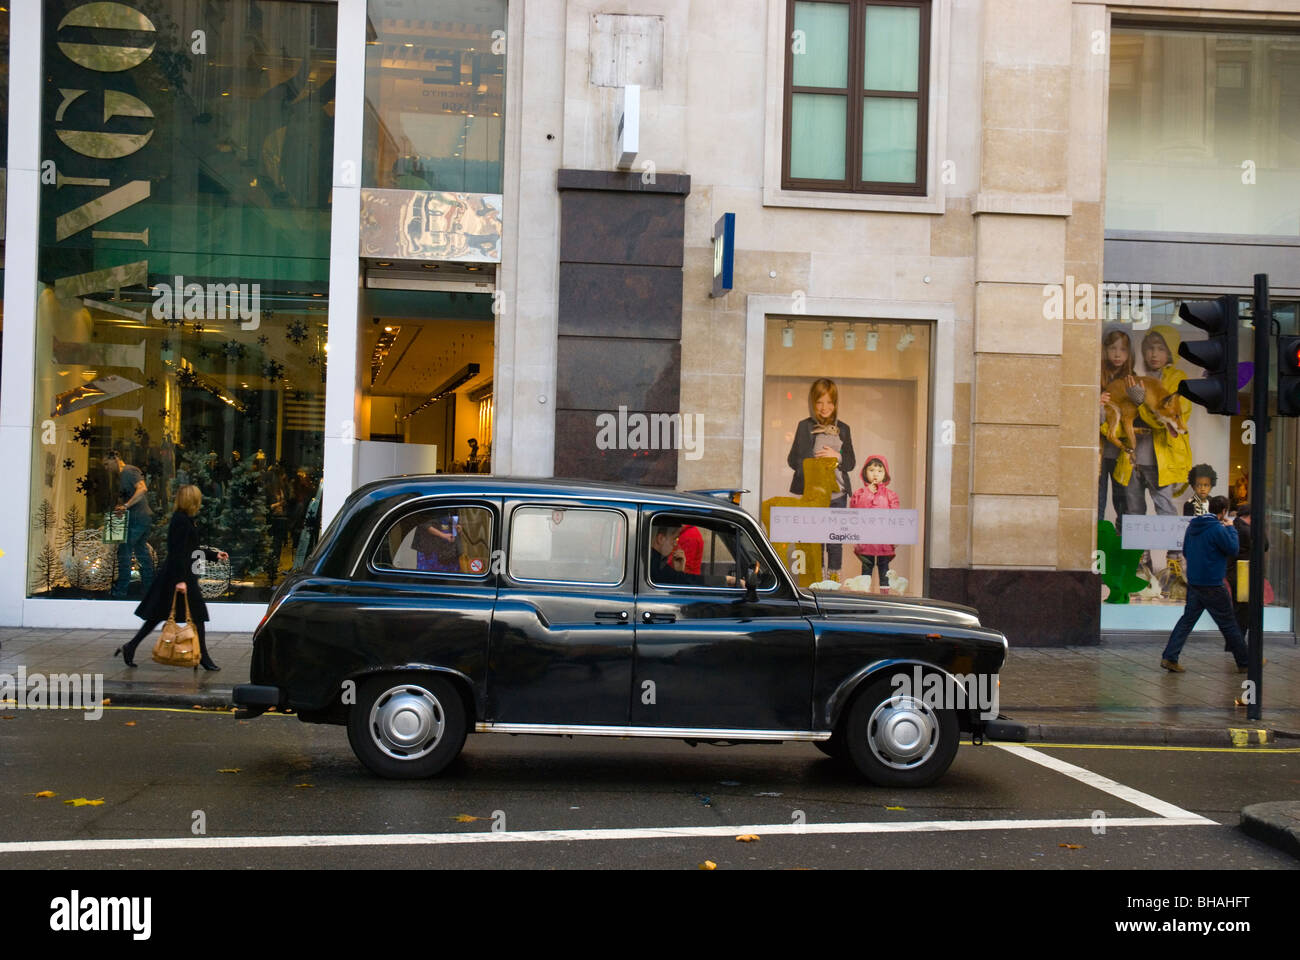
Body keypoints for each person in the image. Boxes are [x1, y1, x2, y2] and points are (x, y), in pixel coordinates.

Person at [113, 485, 228, 671]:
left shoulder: (186, 520)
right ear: (192, 501)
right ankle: (204, 658)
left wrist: (214, 555)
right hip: (179, 576)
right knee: (196, 616)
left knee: (159, 616)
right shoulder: (181, 521)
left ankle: (130, 647)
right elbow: (177, 552)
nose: (200, 502)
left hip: (178, 575)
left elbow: (191, 550)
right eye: (197, 499)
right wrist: (180, 581)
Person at [1160, 495, 1249, 673]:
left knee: (1187, 621)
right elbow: (1233, 549)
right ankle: (1246, 662)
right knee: (1229, 623)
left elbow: (1185, 550)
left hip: (1194, 582)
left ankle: (1170, 657)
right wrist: (1231, 529)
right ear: (1224, 511)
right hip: (1213, 583)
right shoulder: (1218, 529)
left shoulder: (1193, 526)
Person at [787, 378, 856, 578]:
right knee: (814, 539)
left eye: (829, 402)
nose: (824, 407)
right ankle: (817, 580)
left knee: (835, 540)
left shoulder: (843, 428)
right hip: (813, 493)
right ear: (812, 403)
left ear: (835, 404)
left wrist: (837, 457)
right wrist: (812, 467)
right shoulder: (804, 426)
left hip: (837, 495)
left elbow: (850, 462)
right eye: (819, 402)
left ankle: (833, 581)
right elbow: (793, 460)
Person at [103, 449, 155, 599]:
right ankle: (148, 589)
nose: (106, 468)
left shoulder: (129, 471)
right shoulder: (122, 475)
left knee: (124, 551)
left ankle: (121, 590)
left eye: (107, 464)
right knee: (141, 552)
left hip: (138, 518)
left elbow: (142, 488)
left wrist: (126, 506)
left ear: (115, 459)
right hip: (140, 518)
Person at [1098, 329, 1136, 523]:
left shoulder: (1132, 378)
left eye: (1123, 349)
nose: (1117, 354)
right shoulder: (1096, 377)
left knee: (1123, 499)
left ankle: (1124, 541)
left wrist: (1138, 400)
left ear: (1129, 354)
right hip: (1100, 449)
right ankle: (1097, 540)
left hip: (1121, 450)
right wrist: (1096, 401)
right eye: (1113, 348)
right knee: (1098, 496)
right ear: (1105, 350)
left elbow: (1138, 416)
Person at [849, 455, 901, 593]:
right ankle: (865, 594)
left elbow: (895, 517)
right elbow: (855, 511)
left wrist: (896, 537)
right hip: (866, 539)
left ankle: (885, 596)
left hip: (884, 539)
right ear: (865, 472)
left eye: (879, 471)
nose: (875, 474)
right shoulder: (859, 494)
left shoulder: (891, 495)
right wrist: (867, 493)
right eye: (871, 470)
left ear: (885, 474)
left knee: (884, 569)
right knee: (866, 567)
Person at [1228, 503, 1269, 654]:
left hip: (1235, 573)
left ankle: (1233, 644)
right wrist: (1261, 528)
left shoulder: (1235, 526)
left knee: (1239, 610)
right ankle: (1237, 645)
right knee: (1243, 611)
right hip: (1243, 575)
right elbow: (1264, 545)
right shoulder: (1247, 530)